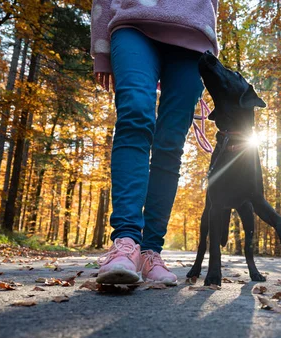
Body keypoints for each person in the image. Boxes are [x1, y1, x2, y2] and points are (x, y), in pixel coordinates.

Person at [90, 0, 219, 285]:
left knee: (171, 143)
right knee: (135, 114)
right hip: (133, 23)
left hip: (195, 36)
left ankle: (150, 252)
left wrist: (211, 43)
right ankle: (125, 243)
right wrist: (101, 50)